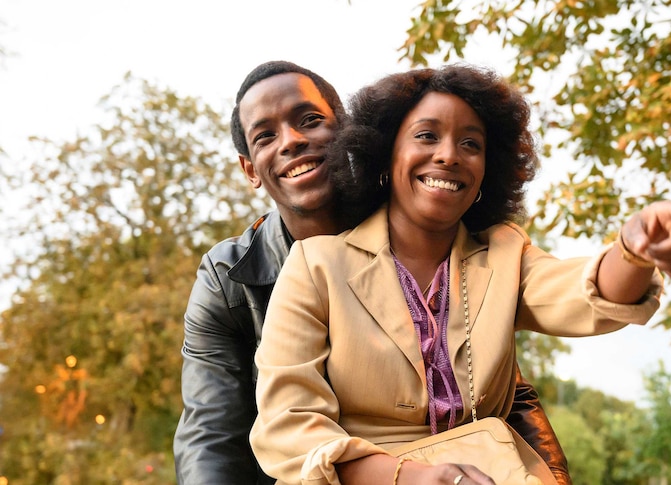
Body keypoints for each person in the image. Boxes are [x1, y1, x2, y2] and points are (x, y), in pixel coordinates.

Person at [249, 64, 671, 484]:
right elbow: (288, 425)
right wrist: (412, 478)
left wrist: (633, 250)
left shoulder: (504, 252)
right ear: (384, 157)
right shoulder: (316, 265)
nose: (449, 155)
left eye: (470, 144)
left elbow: (580, 293)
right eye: (427, 136)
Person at [172, 61, 572, 484]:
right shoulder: (225, 279)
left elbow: (501, 383)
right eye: (266, 136)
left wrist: (551, 476)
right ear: (250, 167)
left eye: (310, 120)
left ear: (347, 130)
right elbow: (211, 432)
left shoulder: (422, 226)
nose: (291, 141)